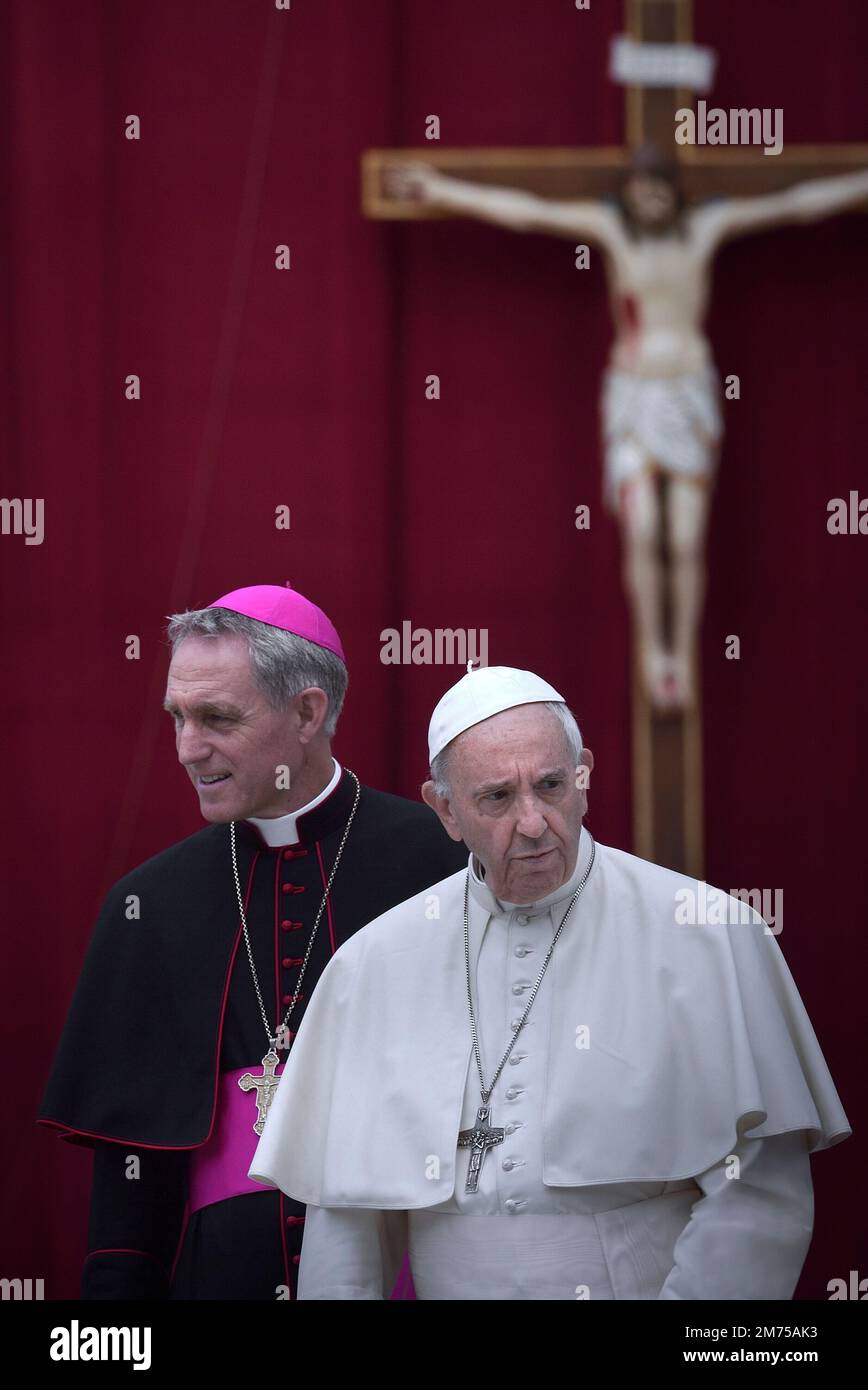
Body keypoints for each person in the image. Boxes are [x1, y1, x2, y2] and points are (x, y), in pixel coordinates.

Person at [249, 664, 851, 1300]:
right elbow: (346, 1227)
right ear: (445, 810)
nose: (533, 823)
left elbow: (759, 1193)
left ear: (584, 776)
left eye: (551, 785)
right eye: (497, 798)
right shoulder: (373, 966)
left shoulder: (708, 934)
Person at [37, 583, 467, 1300]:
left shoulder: (443, 865)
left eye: (216, 719)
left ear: (308, 712)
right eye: (177, 717)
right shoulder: (150, 906)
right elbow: (126, 1211)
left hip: (416, 1267)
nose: (185, 749)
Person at [387, 149, 868, 710]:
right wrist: (443, 189)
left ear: (675, 190)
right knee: (642, 532)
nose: (652, 198)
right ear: (630, 193)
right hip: (635, 399)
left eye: (661, 187)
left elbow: (795, 205)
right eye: (641, 188)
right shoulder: (611, 231)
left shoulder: (706, 228)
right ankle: (652, 655)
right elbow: (526, 210)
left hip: (687, 399)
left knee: (685, 537)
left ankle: (680, 654)